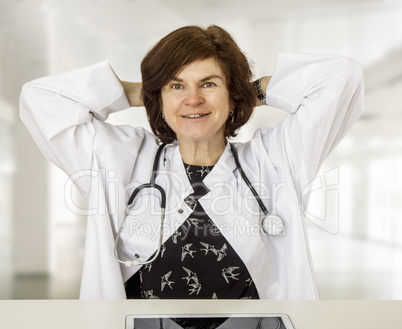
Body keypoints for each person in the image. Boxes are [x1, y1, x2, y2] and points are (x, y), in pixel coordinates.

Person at [19, 25, 364, 300]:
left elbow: (342, 77)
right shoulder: (121, 159)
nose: (193, 99)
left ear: (232, 95)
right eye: (177, 85)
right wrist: (147, 92)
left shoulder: (274, 159)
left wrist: (252, 91)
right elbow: (40, 99)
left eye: (209, 84)